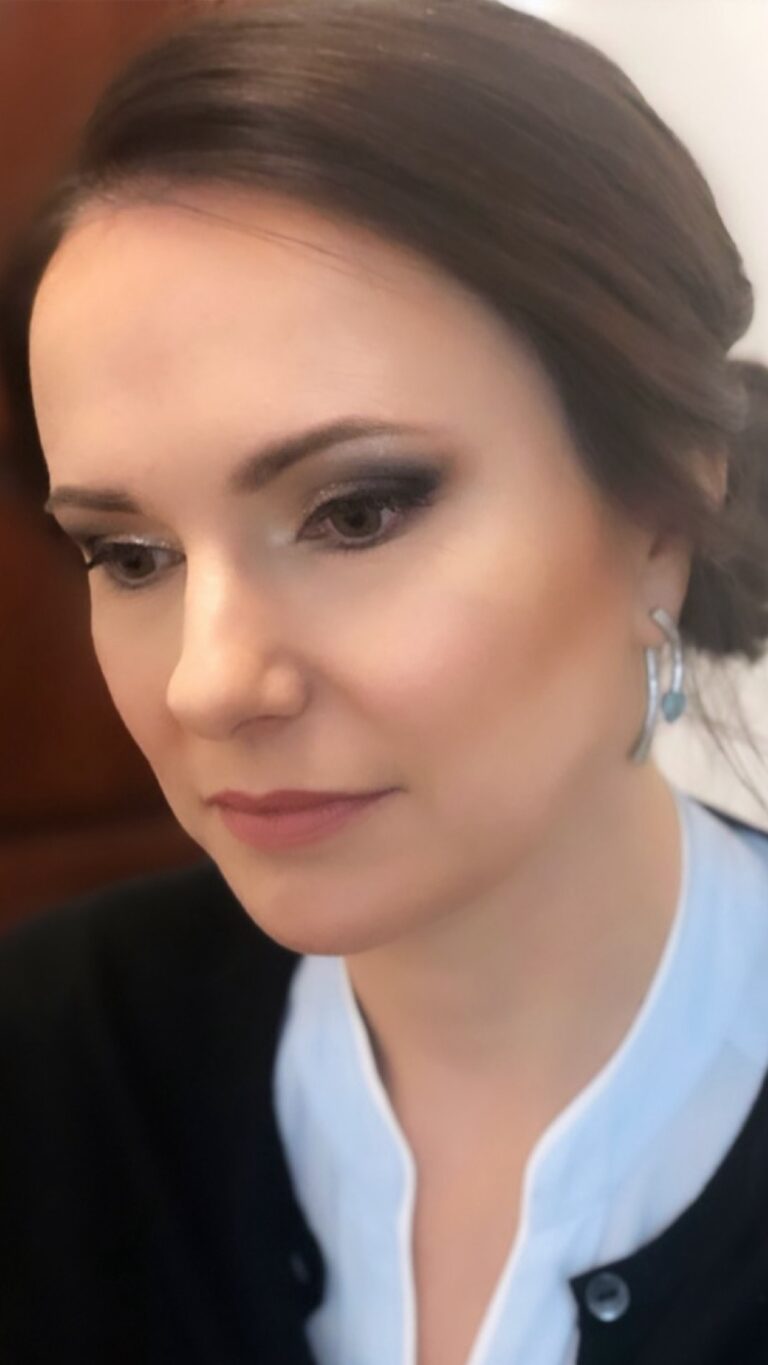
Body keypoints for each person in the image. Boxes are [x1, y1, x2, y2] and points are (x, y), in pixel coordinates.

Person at [1, 0, 767, 1362]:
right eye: (130, 554)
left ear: (662, 513)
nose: (210, 682)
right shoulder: (52, 1049)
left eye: (355, 513)